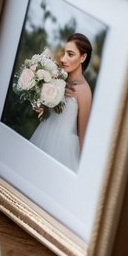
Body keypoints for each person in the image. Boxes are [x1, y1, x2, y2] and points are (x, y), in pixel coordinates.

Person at [29, 33, 93, 172]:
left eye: (70, 54)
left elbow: (84, 135)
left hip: (63, 148)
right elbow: (50, 111)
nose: (63, 59)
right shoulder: (58, 77)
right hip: (44, 133)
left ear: (83, 57)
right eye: (64, 53)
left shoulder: (84, 91)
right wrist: (42, 108)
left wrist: (84, 171)